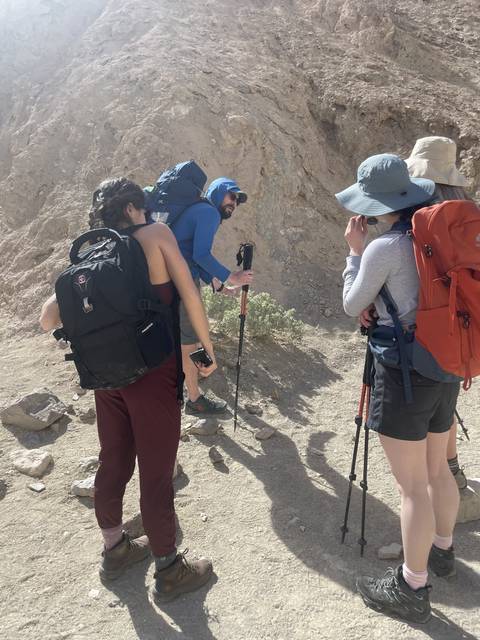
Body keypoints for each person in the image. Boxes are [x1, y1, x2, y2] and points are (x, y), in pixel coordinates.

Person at [40, 178, 217, 603]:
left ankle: (115, 550)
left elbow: (48, 319)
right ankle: (171, 570)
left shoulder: (91, 256)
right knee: (156, 473)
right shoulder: (154, 235)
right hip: (155, 374)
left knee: (114, 459)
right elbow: (189, 295)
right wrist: (206, 353)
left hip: (107, 379)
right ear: (136, 209)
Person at [336, 154, 460, 623]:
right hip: (445, 364)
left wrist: (353, 252)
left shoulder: (383, 247)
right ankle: (442, 552)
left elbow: (352, 304)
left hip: (403, 372)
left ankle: (412, 585)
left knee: (412, 488)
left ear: (373, 205)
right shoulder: (438, 235)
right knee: (438, 470)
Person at [406, 136, 471, 492]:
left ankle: (440, 488)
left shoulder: (421, 219)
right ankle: (454, 475)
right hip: (464, 329)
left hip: (429, 332)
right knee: (447, 404)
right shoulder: (469, 214)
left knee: (430, 416)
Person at [171, 176, 254, 416]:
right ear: (217, 193)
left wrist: (216, 285)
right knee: (189, 341)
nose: (234, 203)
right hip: (182, 281)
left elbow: (191, 255)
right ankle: (194, 399)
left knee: (189, 338)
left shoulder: (200, 211)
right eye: (231, 196)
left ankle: (191, 388)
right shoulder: (209, 213)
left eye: (237, 200)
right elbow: (201, 254)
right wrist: (231, 277)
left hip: (178, 277)